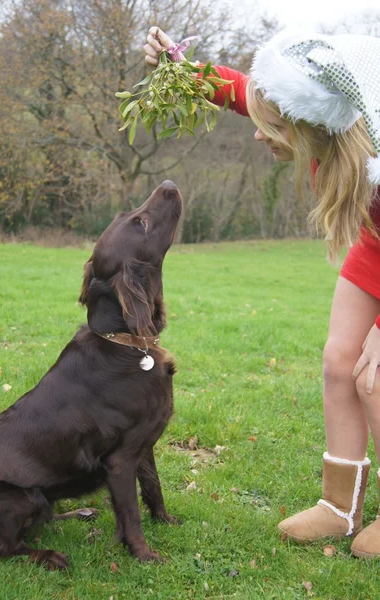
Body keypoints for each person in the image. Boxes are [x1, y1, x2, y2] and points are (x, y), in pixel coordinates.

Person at [144, 27, 380, 558]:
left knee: (374, 376)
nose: (256, 135)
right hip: (377, 242)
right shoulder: (320, 115)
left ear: (310, 128)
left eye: (270, 128)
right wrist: (176, 68)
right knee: (340, 360)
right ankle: (340, 508)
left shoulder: (374, 164)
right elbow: (238, 90)